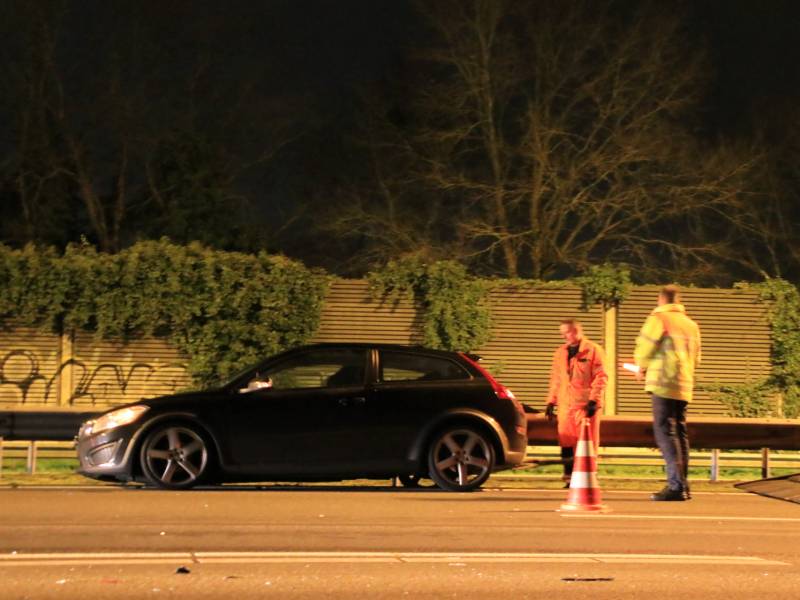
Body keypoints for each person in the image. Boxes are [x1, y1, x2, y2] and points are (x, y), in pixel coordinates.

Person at [634, 285, 701, 502]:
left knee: (665, 433)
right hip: (684, 384)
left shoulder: (659, 319)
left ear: (660, 299)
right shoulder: (691, 325)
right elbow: (697, 358)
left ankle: (676, 486)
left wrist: (641, 366)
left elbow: (645, 347)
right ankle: (683, 485)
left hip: (663, 382)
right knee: (680, 434)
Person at [546, 319, 607, 486]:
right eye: (563, 333)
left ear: (577, 330)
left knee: (587, 444)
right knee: (566, 441)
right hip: (566, 407)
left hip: (585, 406)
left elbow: (601, 377)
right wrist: (551, 401)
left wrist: (594, 400)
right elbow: (557, 379)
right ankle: (568, 479)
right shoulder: (560, 353)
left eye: (568, 332)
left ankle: (588, 478)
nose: (565, 336)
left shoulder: (593, 350)